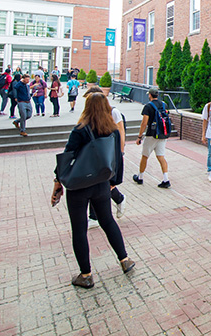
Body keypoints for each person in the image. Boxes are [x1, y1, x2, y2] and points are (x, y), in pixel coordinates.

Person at [50, 93, 135, 288]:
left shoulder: (80, 130)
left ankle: (86, 274)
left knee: (79, 229)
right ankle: (125, 260)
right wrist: (113, 181)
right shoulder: (112, 131)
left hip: (79, 185)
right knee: (108, 221)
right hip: (101, 184)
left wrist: (58, 181)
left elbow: (67, 156)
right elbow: (115, 158)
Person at [84, 87, 127, 222]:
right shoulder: (92, 114)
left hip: (109, 155)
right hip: (97, 156)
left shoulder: (113, 112)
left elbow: (120, 132)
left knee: (101, 184)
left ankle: (94, 217)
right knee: (98, 184)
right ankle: (117, 200)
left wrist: (120, 153)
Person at [133, 87, 171, 189]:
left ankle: (140, 177)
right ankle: (166, 179)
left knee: (145, 156)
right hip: (162, 135)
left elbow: (144, 123)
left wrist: (139, 137)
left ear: (150, 95)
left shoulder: (148, 106)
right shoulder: (164, 104)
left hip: (151, 135)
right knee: (161, 156)